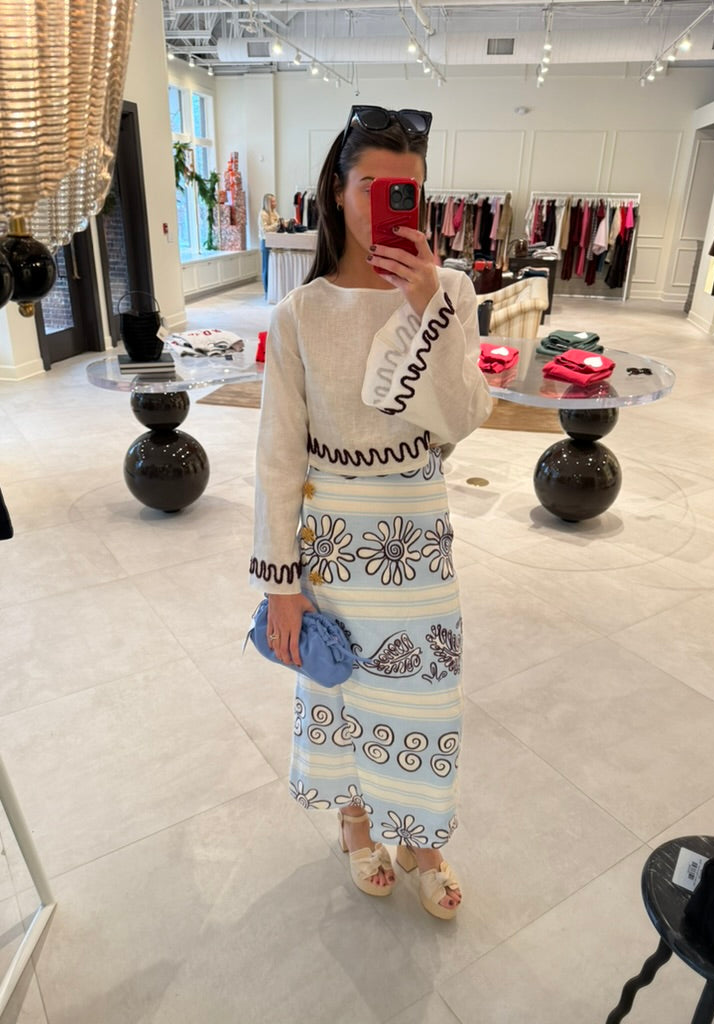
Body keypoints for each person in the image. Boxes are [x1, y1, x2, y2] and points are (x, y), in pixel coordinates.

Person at [249, 106, 492, 920]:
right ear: (337, 190)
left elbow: (460, 418)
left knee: (425, 695)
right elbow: (278, 456)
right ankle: (356, 823)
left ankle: (421, 839)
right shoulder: (300, 312)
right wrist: (282, 584)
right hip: (332, 546)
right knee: (342, 687)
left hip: (415, 541)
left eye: (407, 191)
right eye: (372, 187)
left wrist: (429, 311)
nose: (390, 204)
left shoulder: (449, 292)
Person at [259, 193, 281, 296]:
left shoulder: (274, 212)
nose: (275, 203)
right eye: (273, 201)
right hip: (266, 242)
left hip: (274, 242)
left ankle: (273, 289)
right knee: (266, 267)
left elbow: (278, 223)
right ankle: (267, 290)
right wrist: (277, 224)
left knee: (273, 267)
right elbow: (265, 229)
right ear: (268, 203)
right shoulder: (263, 214)